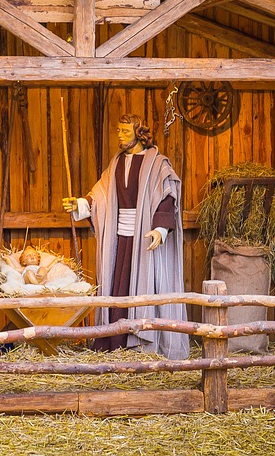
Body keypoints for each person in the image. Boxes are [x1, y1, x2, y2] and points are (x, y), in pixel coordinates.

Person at [62, 114, 189, 360]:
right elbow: (100, 194)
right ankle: (114, 343)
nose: (119, 135)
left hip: (145, 239)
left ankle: (141, 344)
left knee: (142, 289)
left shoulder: (158, 164)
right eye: (118, 130)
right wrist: (80, 203)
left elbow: (168, 195)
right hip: (119, 241)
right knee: (117, 291)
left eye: (124, 131)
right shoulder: (117, 162)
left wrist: (160, 229)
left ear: (139, 134)